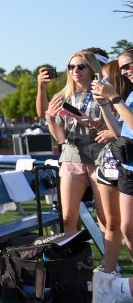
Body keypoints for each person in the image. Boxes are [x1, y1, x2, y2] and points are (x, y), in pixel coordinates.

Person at [44, 51, 108, 237]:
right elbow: (60, 138)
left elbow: (112, 128)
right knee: (68, 218)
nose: (75, 71)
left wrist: (87, 122)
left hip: (99, 156)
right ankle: (74, 262)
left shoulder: (102, 93)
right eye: (71, 67)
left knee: (105, 218)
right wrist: (50, 119)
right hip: (72, 156)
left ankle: (109, 263)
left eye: (81, 66)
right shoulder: (62, 96)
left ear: (92, 69)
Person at [95, 49, 133, 301]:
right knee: (128, 229)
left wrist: (115, 98)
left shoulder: (125, 97)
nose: (126, 71)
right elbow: (122, 130)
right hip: (129, 169)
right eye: (123, 68)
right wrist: (105, 106)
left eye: (129, 65)